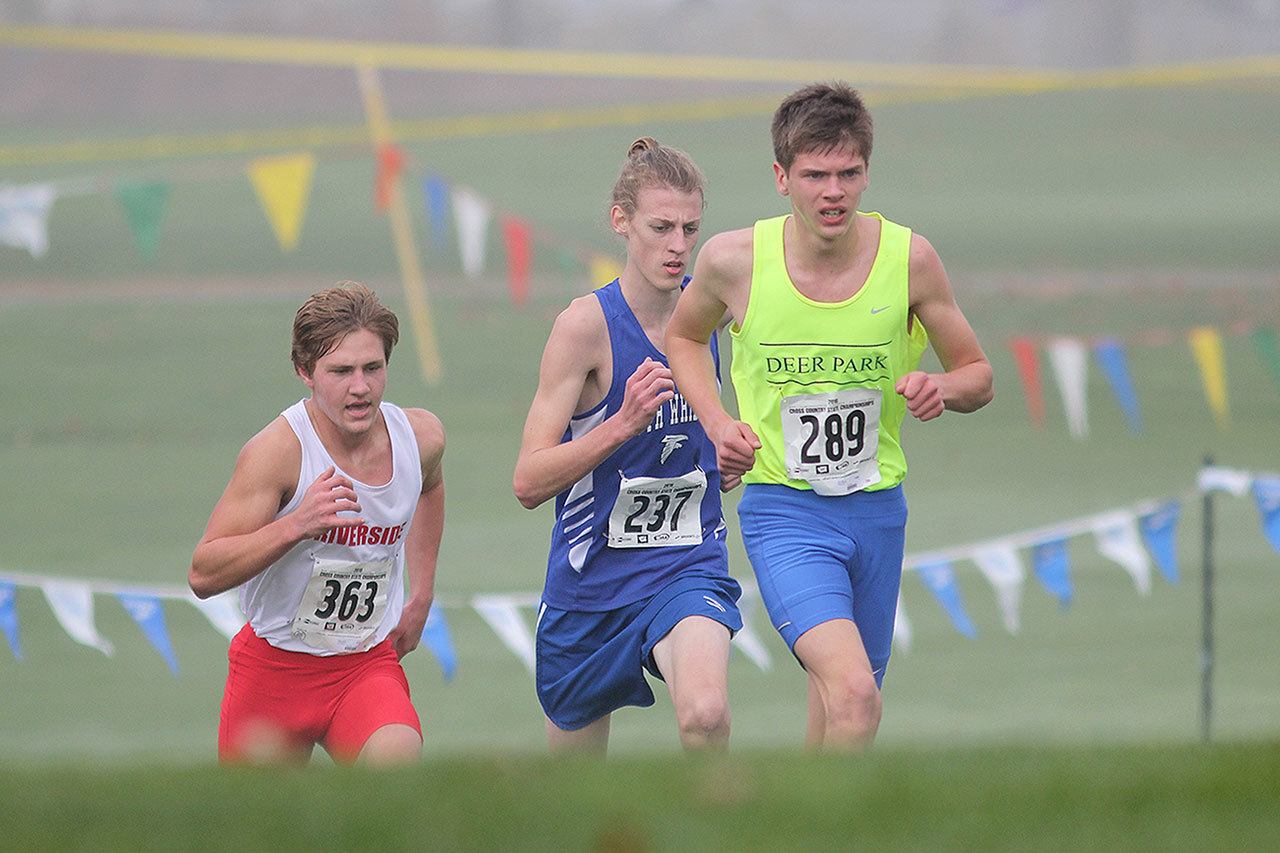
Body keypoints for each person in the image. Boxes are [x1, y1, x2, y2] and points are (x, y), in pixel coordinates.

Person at [666, 82, 993, 751]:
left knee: (843, 705)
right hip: (785, 511)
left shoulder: (911, 260)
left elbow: (978, 375)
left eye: (848, 173)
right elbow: (683, 337)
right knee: (856, 694)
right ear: (782, 177)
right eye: (815, 175)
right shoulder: (734, 261)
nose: (834, 192)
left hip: (877, 512)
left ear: (867, 173)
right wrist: (717, 420)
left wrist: (941, 388)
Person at [513, 138, 743, 754]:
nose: (677, 245)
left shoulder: (711, 316)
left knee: (706, 712)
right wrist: (621, 423)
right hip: (591, 585)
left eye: (690, 229)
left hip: (685, 565)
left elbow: (710, 443)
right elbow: (528, 481)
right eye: (661, 227)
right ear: (622, 222)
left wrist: (730, 454)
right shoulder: (584, 327)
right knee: (572, 797)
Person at [189, 282, 445, 765]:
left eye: (373, 368)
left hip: (364, 666)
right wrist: (296, 524)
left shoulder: (421, 437)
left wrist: (422, 593)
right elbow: (203, 573)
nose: (361, 387)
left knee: (398, 769)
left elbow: (430, 486)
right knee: (260, 833)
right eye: (340, 371)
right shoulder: (278, 453)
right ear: (304, 371)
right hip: (274, 669)